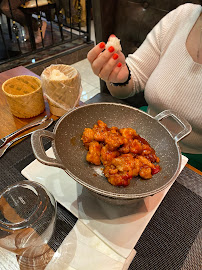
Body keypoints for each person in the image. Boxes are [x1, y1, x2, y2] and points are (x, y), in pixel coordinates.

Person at [87, 3, 202, 170]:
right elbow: (135, 75)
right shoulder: (182, 15)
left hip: (195, 164)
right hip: (144, 132)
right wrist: (118, 76)